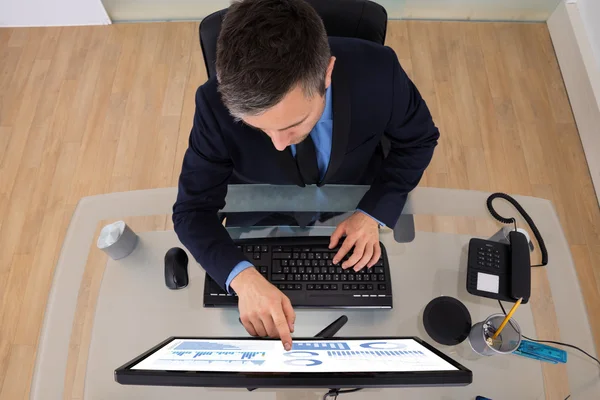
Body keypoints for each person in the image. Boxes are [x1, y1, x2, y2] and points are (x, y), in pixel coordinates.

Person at [173, 0, 439, 351]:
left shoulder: (381, 74)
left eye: (293, 124)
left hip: (353, 201)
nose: (279, 144)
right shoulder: (212, 104)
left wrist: (374, 211)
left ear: (326, 74)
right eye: (260, 129)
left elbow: (418, 140)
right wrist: (242, 278)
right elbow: (191, 211)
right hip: (259, 217)